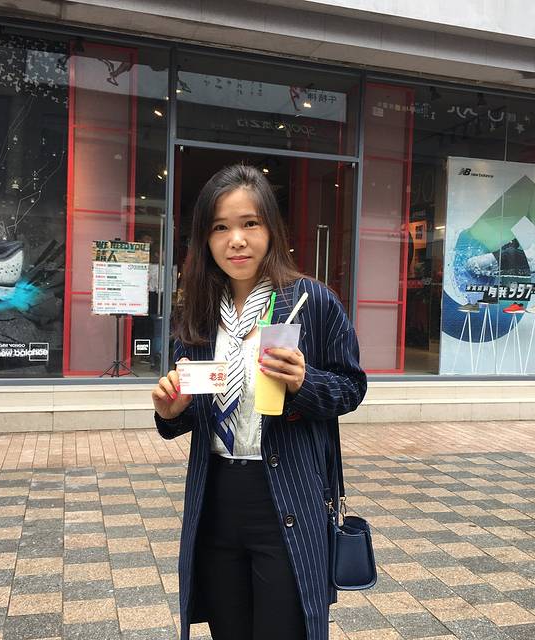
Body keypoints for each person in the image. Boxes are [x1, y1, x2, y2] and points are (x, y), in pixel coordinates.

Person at [151, 164, 367, 640]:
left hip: (287, 494)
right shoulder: (201, 311)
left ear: (271, 228)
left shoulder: (311, 302)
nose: (237, 240)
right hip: (216, 497)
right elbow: (193, 401)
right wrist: (170, 413)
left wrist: (305, 382)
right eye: (220, 227)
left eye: (250, 223)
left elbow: (352, 387)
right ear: (205, 239)